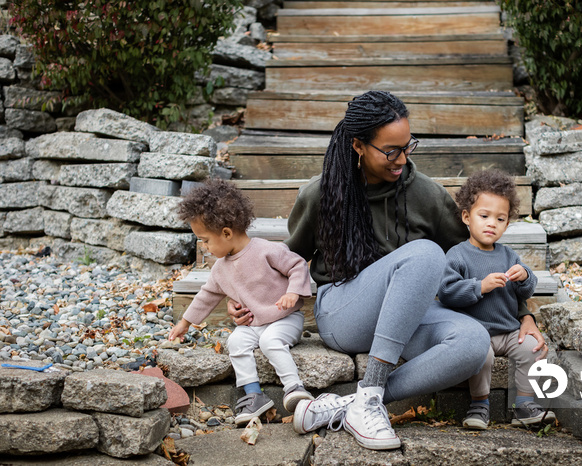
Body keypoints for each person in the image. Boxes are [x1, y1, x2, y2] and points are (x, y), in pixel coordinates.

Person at [229, 90, 547, 450]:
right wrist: (244, 298)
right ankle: (368, 401)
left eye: (407, 146)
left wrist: (524, 312)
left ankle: (358, 402)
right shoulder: (323, 194)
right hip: (345, 312)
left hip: (409, 316)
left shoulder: (426, 195)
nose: (401, 159)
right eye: (390, 150)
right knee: (426, 254)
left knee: (473, 343)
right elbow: (287, 259)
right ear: (358, 146)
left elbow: (478, 255)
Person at [168, 180, 314, 426]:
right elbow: (206, 295)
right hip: (254, 324)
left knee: (270, 341)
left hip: (285, 319)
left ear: (226, 233)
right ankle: (254, 394)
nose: (203, 247)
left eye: (205, 240)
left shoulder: (266, 250)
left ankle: (293, 387)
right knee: (235, 340)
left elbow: (298, 265)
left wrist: (293, 292)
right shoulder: (220, 269)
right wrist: (185, 322)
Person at [437, 169, 555, 430]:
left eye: (500, 219)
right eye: (484, 216)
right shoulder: (457, 255)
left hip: (511, 330)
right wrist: (480, 286)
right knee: (482, 355)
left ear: (507, 224)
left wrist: (525, 275)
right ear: (467, 217)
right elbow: (446, 292)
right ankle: (480, 404)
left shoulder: (508, 255)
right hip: (478, 331)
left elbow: (525, 291)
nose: (492, 223)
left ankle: (523, 405)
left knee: (531, 349)